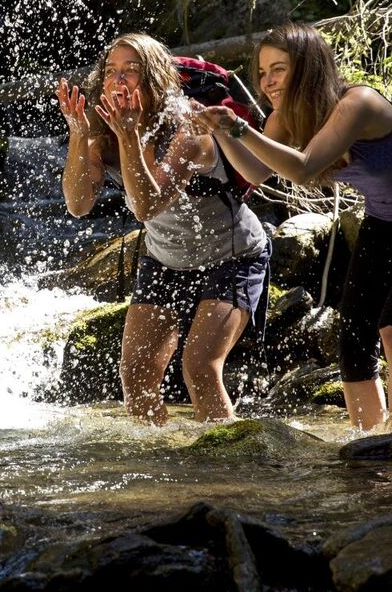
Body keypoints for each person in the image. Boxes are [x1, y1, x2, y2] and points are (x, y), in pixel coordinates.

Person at [57, 33, 269, 424]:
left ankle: (232, 468)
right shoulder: (103, 131)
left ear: (154, 78)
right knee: (136, 376)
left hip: (234, 256)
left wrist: (131, 139)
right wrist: (77, 133)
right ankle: (161, 470)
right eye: (111, 71)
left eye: (131, 71)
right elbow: (78, 204)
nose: (119, 80)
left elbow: (145, 205)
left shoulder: (190, 129)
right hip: (165, 260)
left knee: (200, 369)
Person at [194, 22, 392, 431]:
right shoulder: (288, 116)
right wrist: (222, 132)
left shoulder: (358, 103)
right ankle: (368, 441)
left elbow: (303, 170)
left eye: (278, 69)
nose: (267, 82)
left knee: (391, 327)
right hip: (383, 219)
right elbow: (252, 170)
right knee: (353, 338)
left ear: (307, 66)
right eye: (262, 73)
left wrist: (239, 127)